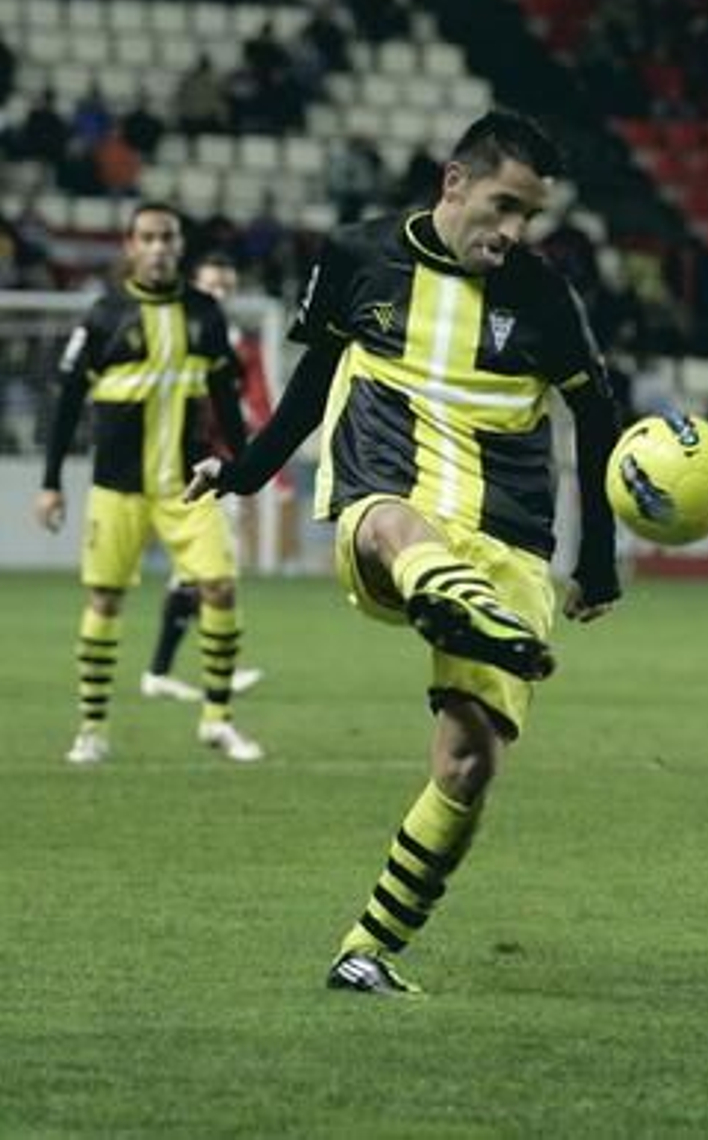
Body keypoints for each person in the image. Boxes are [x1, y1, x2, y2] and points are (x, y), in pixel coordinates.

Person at [185, 109, 622, 996]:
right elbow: (312, 386)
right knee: (388, 521)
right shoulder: (357, 256)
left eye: (530, 216)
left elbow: (597, 417)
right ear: (454, 182)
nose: (514, 231)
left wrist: (599, 561)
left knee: (469, 762)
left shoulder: (544, 296)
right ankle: (451, 595)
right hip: (391, 499)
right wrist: (244, 471)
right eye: (503, 206)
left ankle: (368, 948)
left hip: (509, 538)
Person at [35, 202, 264, 765]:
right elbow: (66, 403)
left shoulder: (205, 313)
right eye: (148, 237)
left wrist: (244, 468)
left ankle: (217, 720)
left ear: (179, 246)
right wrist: (51, 482)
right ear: (130, 246)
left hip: (189, 485)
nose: (159, 247)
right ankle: (91, 729)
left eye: (168, 237)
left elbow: (226, 397)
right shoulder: (104, 315)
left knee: (221, 587)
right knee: (105, 599)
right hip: (117, 488)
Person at [142, 252, 268, 704]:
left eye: (226, 287)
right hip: (186, 469)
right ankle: (205, 672)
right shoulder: (176, 335)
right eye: (211, 285)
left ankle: (164, 672)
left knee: (196, 575)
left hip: (223, 470)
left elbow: (258, 405)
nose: (219, 294)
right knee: (210, 572)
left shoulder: (239, 345)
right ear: (193, 286)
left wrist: (254, 460)